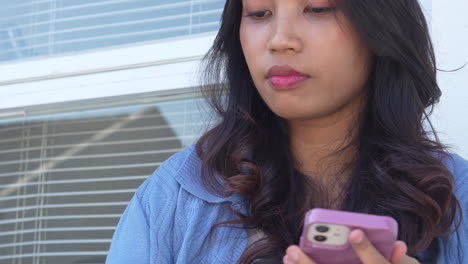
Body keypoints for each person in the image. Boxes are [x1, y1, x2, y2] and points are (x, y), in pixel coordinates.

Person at [105, 0, 468, 263]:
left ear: (380, 24)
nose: (280, 40)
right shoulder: (173, 197)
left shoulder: (459, 194)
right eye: (259, 13)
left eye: (318, 8)